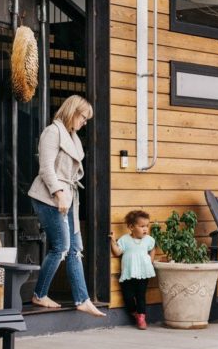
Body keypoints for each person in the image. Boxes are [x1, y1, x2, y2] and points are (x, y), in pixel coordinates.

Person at [28, 94, 104, 317]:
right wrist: (59, 193)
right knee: (60, 247)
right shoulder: (52, 132)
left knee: (74, 248)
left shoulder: (72, 137)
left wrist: (65, 195)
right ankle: (39, 294)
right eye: (83, 117)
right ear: (72, 111)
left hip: (67, 198)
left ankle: (83, 299)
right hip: (49, 197)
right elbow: (46, 168)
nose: (84, 122)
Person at [109, 210, 156, 329]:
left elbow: (153, 248)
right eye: (141, 226)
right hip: (128, 273)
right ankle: (134, 312)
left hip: (143, 273)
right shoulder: (125, 240)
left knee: (141, 295)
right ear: (131, 227)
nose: (145, 229)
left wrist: (150, 260)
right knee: (128, 296)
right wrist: (113, 241)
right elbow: (117, 252)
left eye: (146, 226)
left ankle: (141, 317)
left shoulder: (148, 239)